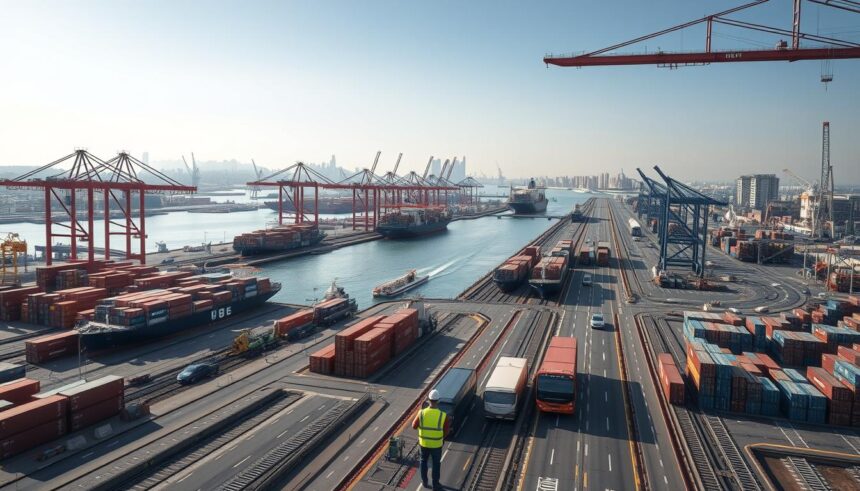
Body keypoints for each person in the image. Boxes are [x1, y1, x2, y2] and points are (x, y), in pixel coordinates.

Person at [412, 389, 451, 490]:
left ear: (428, 400)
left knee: (423, 461)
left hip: (423, 444)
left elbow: (414, 426)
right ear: (438, 401)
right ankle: (435, 484)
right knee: (436, 464)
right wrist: (440, 437)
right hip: (437, 445)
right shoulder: (443, 415)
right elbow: (446, 431)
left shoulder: (421, 413)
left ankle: (424, 482)